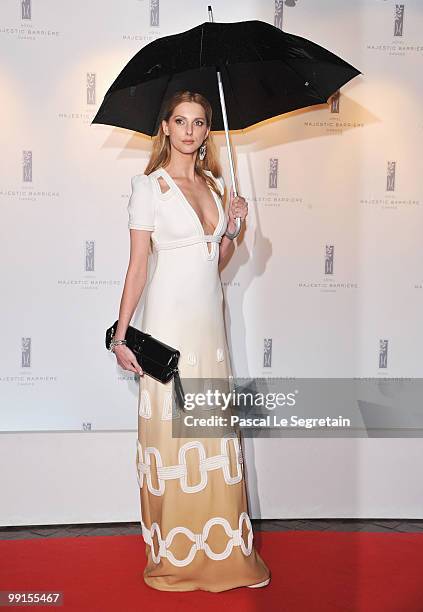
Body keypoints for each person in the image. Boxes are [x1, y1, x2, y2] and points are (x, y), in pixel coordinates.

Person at [110, 90, 271, 592]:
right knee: (172, 435)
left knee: (211, 434)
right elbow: (138, 268)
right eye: (179, 121)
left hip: (210, 328)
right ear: (165, 127)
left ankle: (223, 552)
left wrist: (234, 226)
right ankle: (176, 552)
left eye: (199, 123)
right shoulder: (148, 188)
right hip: (167, 327)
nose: (189, 130)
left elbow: (214, 264)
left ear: (206, 133)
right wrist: (120, 334)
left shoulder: (218, 186)